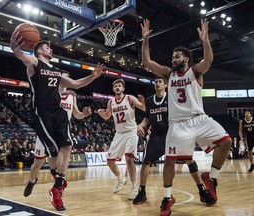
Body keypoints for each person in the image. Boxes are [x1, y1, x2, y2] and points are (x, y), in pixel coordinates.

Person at [141, 18, 232, 215]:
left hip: (199, 119)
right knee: (170, 160)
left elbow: (208, 61)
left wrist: (205, 40)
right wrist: (145, 40)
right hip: (177, 125)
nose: (173, 60)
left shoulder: (195, 72)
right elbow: (147, 62)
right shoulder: (168, 75)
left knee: (226, 142)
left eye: (177, 57)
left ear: (186, 59)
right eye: (173, 57)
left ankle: (212, 178)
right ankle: (167, 198)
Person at [10, 29, 104, 212]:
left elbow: (76, 84)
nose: (50, 49)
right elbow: (24, 57)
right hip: (42, 113)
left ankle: (57, 188)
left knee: (67, 147)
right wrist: (15, 49)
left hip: (59, 112)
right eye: (47, 47)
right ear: (39, 51)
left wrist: (93, 76)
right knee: (51, 156)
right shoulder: (35, 63)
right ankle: (36, 180)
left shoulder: (57, 71)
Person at [133, 76, 213, 205]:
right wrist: (141, 125)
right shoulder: (149, 101)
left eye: (160, 82)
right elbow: (147, 118)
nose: (158, 84)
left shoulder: (172, 98)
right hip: (157, 136)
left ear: (165, 85)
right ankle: (142, 192)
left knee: (189, 160)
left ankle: (202, 190)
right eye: (156, 82)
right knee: (145, 162)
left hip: (173, 134)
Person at [23, 74, 92, 197]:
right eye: (61, 78)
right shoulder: (49, 93)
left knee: (56, 163)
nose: (64, 81)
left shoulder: (72, 97)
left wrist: (84, 114)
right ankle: (32, 181)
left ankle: (57, 189)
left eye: (66, 79)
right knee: (37, 165)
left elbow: (76, 114)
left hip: (62, 132)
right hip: (47, 132)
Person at [97, 79, 145, 200]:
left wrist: (143, 102)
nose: (117, 87)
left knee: (129, 159)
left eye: (119, 86)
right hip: (119, 133)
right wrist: (100, 113)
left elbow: (144, 108)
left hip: (131, 131)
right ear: (113, 89)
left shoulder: (129, 98)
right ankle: (120, 179)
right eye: (115, 86)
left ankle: (134, 188)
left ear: (123, 88)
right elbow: (108, 116)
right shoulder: (111, 102)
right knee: (109, 161)